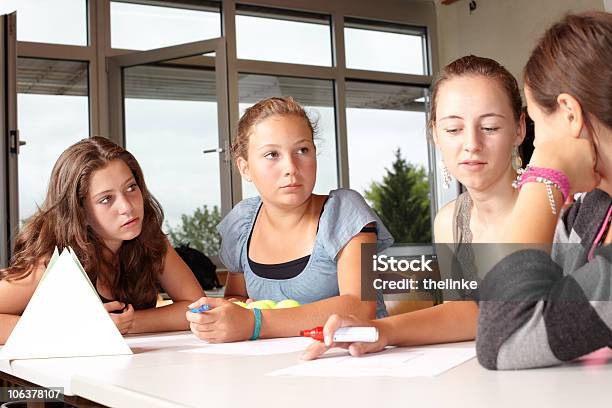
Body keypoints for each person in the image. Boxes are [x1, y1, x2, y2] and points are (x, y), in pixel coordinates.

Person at [301, 55, 528, 360]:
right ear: (435, 134)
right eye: (453, 130)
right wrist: (378, 330)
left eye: (489, 127)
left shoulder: (558, 205)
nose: (472, 143)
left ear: (519, 129)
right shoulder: (450, 220)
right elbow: (465, 312)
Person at [186, 97, 394, 343]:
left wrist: (256, 323)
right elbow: (239, 300)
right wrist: (219, 314)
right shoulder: (242, 223)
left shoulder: (346, 211)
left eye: (302, 150)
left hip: (355, 360)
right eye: (272, 154)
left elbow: (360, 305)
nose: (291, 167)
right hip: (274, 365)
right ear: (245, 168)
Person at [476, 11, 612, 370]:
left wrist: (544, 173)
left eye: (536, 125)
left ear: (570, 113)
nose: (535, 145)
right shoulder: (591, 212)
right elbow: (520, 292)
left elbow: (504, 336)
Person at [0, 137, 205, 344]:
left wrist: (127, 323)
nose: (127, 206)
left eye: (131, 188)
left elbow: (197, 307)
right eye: (106, 199)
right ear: (80, 212)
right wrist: (81, 329)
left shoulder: (150, 239)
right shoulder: (53, 262)